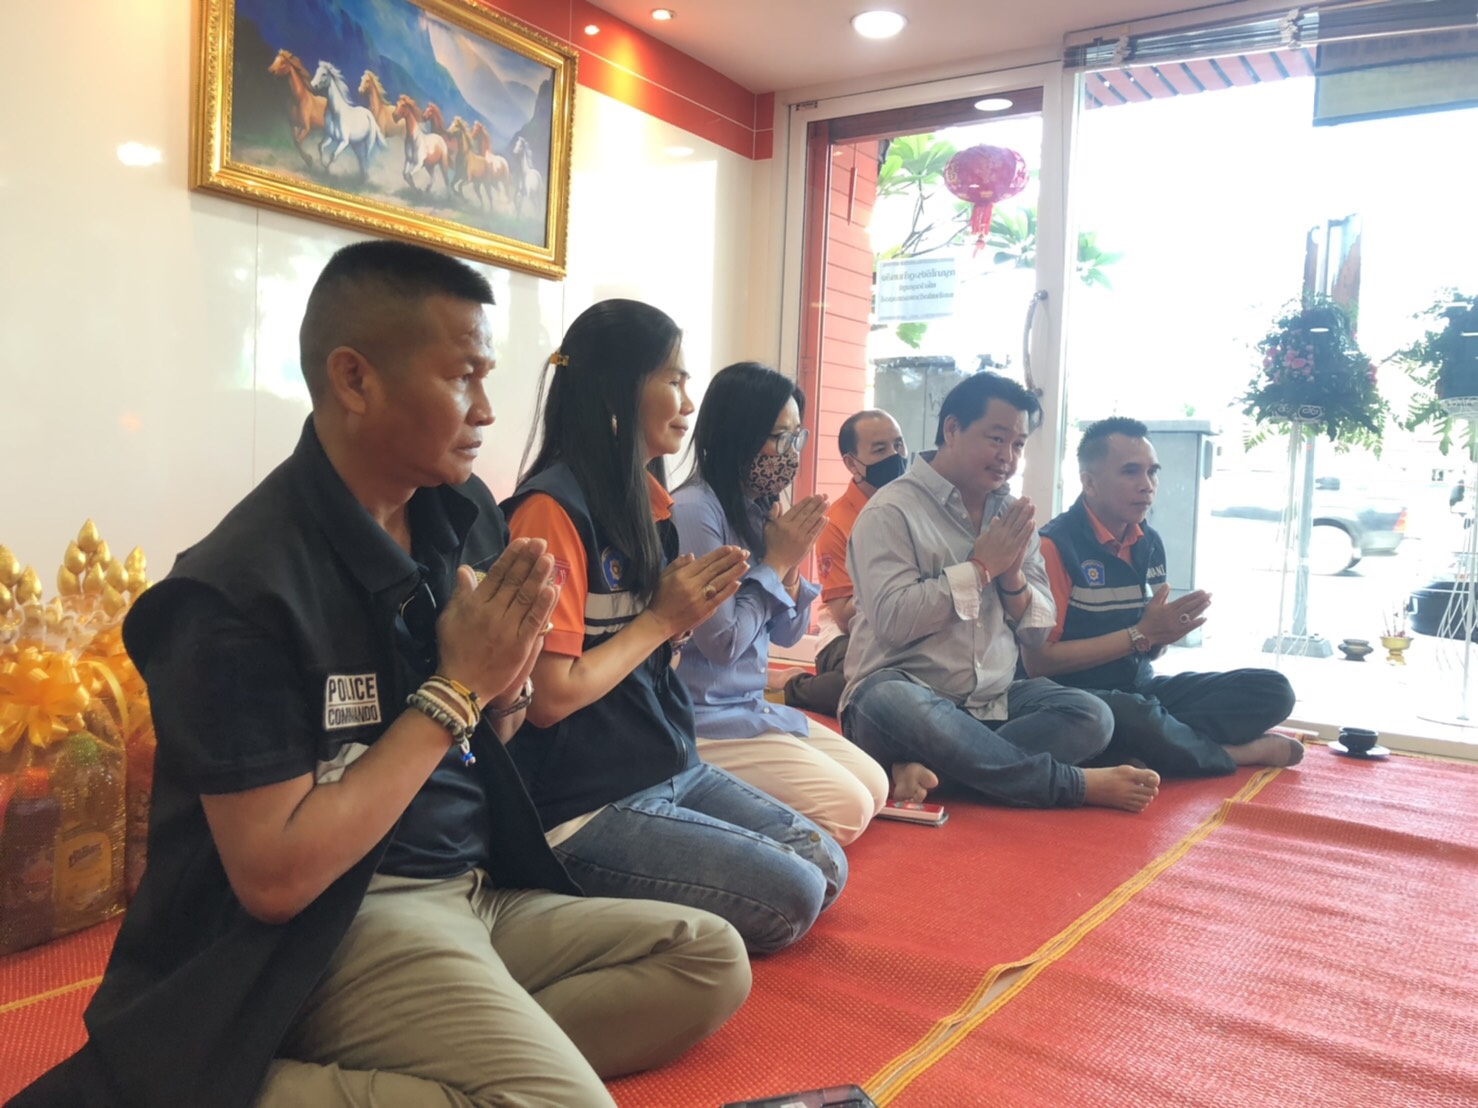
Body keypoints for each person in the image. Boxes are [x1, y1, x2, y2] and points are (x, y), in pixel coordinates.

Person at [13, 242, 750, 1108]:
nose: (487, 410)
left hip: (472, 887)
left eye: (488, 377)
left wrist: (504, 687)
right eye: (463, 377)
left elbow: (493, 726)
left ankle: (338, 1063)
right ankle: (209, 1082)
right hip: (342, 920)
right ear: (355, 380)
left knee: (709, 958)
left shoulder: (460, 513)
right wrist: (455, 690)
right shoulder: (236, 591)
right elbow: (276, 880)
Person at [503, 302, 847, 955]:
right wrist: (663, 621)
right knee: (796, 893)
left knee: (825, 862)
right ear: (616, 391)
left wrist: (676, 627)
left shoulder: (650, 502)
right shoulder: (550, 512)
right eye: (674, 379)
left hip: (665, 762)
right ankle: (560, 899)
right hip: (584, 802)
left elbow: (666, 657)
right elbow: (548, 698)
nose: (688, 402)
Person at [839, 372, 1158, 813]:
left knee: (1092, 716)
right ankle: (1071, 784)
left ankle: (939, 770)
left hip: (992, 698)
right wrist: (980, 569)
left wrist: (1011, 578)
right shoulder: (890, 511)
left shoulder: (1012, 514)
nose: (1008, 456)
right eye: (996, 439)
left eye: (1018, 444)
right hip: (903, 697)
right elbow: (894, 622)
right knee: (888, 699)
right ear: (953, 429)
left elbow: (1037, 635)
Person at [672, 363, 888, 845]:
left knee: (875, 787)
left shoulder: (759, 507)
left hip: (750, 707)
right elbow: (723, 643)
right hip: (704, 721)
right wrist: (776, 560)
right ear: (738, 436)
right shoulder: (694, 510)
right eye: (780, 438)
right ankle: (698, 804)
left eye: (797, 437)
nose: (791, 453)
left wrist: (789, 564)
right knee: (850, 809)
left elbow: (790, 634)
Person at [1022, 417, 1302, 775]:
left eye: (1152, 472)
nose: (1147, 485)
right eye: (1130, 472)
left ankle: (1140, 748)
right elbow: (1039, 663)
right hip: (1075, 700)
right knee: (1131, 715)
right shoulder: (1053, 547)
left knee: (1272, 690)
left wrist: (1161, 636)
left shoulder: (1148, 542)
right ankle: (1231, 754)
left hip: (1139, 688)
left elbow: (1148, 644)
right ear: (1089, 483)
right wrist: (1141, 634)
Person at [780, 408, 909, 718]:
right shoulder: (836, 522)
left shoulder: (919, 507)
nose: (895, 456)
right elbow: (842, 617)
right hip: (846, 637)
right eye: (880, 449)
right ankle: (789, 686)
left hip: (904, 629)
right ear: (852, 463)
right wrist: (894, 590)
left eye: (898, 444)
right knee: (862, 687)